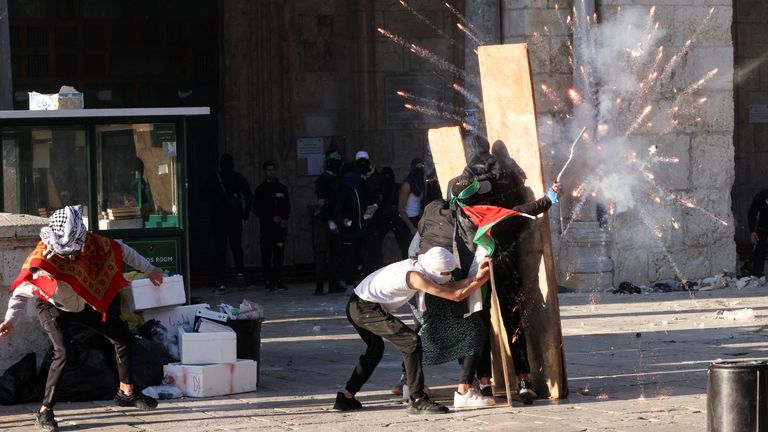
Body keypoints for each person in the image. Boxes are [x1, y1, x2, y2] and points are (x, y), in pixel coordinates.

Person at [410, 161, 561, 406]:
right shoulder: (478, 213)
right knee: (482, 329)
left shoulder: (432, 208)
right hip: (475, 276)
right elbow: (521, 211)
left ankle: (479, 383)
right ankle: (510, 382)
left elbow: (421, 232)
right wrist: (550, 199)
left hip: (438, 281)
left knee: (457, 327)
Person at [0, 206, 163, 432]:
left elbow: (121, 250)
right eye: (68, 253)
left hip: (83, 303)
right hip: (51, 306)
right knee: (63, 351)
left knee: (122, 336)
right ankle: (45, 411)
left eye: (76, 250)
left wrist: (150, 269)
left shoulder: (91, 243)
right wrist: (10, 321)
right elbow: (19, 294)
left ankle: (126, 393)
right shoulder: (43, 262)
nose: (73, 256)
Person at [333, 246, 491, 414]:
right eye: (446, 273)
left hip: (357, 304)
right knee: (411, 341)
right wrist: (482, 280)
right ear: (435, 270)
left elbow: (451, 287)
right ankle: (417, 399)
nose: (450, 276)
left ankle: (346, 397)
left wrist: (476, 277)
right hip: (364, 308)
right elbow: (455, 295)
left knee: (375, 350)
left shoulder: (422, 267)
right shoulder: (415, 276)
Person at [206, 153, 252, 294]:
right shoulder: (238, 178)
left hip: (219, 220)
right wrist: (245, 212)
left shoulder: (215, 179)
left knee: (221, 251)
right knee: (237, 248)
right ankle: (240, 275)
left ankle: (221, 282)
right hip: (235, 218)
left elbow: (203, 194)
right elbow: (249, 195)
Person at [253, 161, 291, 291]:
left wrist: (284, 219)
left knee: (279, 254)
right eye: (269, 170)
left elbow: (287, 206)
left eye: (273, 169)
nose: (271, 172)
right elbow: (257, 209)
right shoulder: (260, 190)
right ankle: (268, 281)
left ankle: (278, 279)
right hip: (267, 227)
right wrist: (270, 217)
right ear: (265, 172)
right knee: (266, 254)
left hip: (280, 228)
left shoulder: (282, 188)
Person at [313, 148, 344, 295]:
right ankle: (319, 285)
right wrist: (330, 222)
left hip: (336, 220)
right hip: (324, 220)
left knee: (336, 253)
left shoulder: (338, 179)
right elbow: (322, 202)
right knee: (321, 253)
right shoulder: (323, 179)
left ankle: (334, 283)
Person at [334, 163, 367, 291]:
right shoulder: (343, 190)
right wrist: (343, 221)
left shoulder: (359, 188)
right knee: (349, 256)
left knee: (359, 255)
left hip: (360, 228)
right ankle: (349, 282)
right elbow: (337, 210)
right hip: (349, 230)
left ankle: (355, 280)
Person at [395, 158, 427, 258]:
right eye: (418, 167)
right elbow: (400, 208)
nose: (420, 169)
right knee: (407, 252)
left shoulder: (421, 183)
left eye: (422, 167)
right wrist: (411, 227)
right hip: (405, 221)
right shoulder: (407, 185)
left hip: (416, 219)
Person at [748, 189, 768, 277]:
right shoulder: (762, 195)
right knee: (760, 250)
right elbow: (752, 213)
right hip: (763, 227)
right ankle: (757, 274)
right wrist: (752, 231)